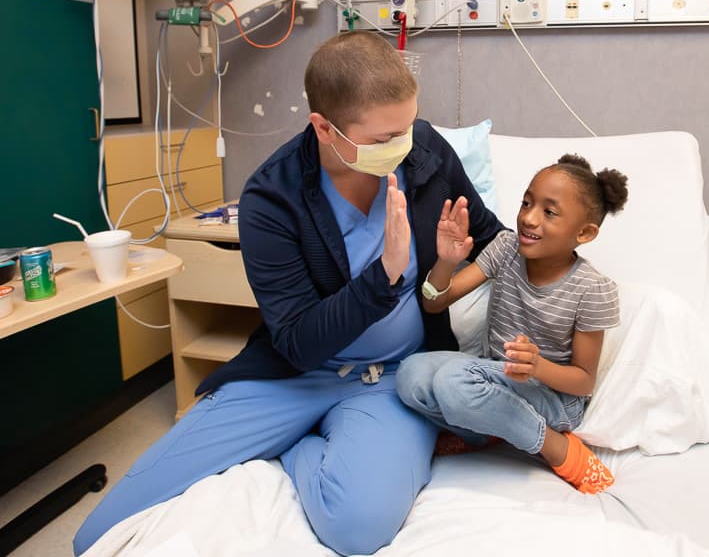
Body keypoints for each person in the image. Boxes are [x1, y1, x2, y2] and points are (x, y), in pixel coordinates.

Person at [73, 31, 503, 556]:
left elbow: (491, 236)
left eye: (407, 127)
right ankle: (294, 432)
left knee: (359, 528)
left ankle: (297, 447)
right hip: (292, 374)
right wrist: (385, 274)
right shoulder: (271, 198)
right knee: (100, 535)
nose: (402, 146)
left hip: (391, 378)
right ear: (324, 128)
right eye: (382, 139)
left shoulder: (426, 152)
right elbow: (298, 341)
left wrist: (444, 279)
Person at [396, 154, 628, 494]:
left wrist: (537, 366)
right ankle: (483, 433)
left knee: (452, 383)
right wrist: (447, 263)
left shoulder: (593, 290)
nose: (528, 218)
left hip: (555, 397)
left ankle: (556, 447)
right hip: (491, 375)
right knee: (409, 376)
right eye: (526, 203)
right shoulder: (506, 248)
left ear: (585, 232)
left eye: (549, 212)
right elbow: (434, 302)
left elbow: (583, 382)